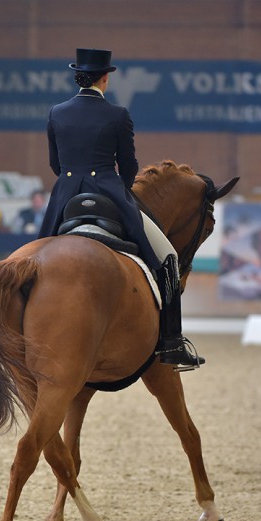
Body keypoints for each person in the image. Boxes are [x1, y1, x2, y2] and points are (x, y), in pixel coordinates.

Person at [38, 47, 203, 370]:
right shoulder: (117, 115)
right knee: (167, 258)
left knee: (32, 257)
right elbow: (129, 167)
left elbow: (55, 164)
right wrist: (117, 185)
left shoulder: (56, 112)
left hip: (65, 195)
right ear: (105, 78)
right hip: (110, 191)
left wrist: (74, 181)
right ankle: (171, 343)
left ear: (78, 77)